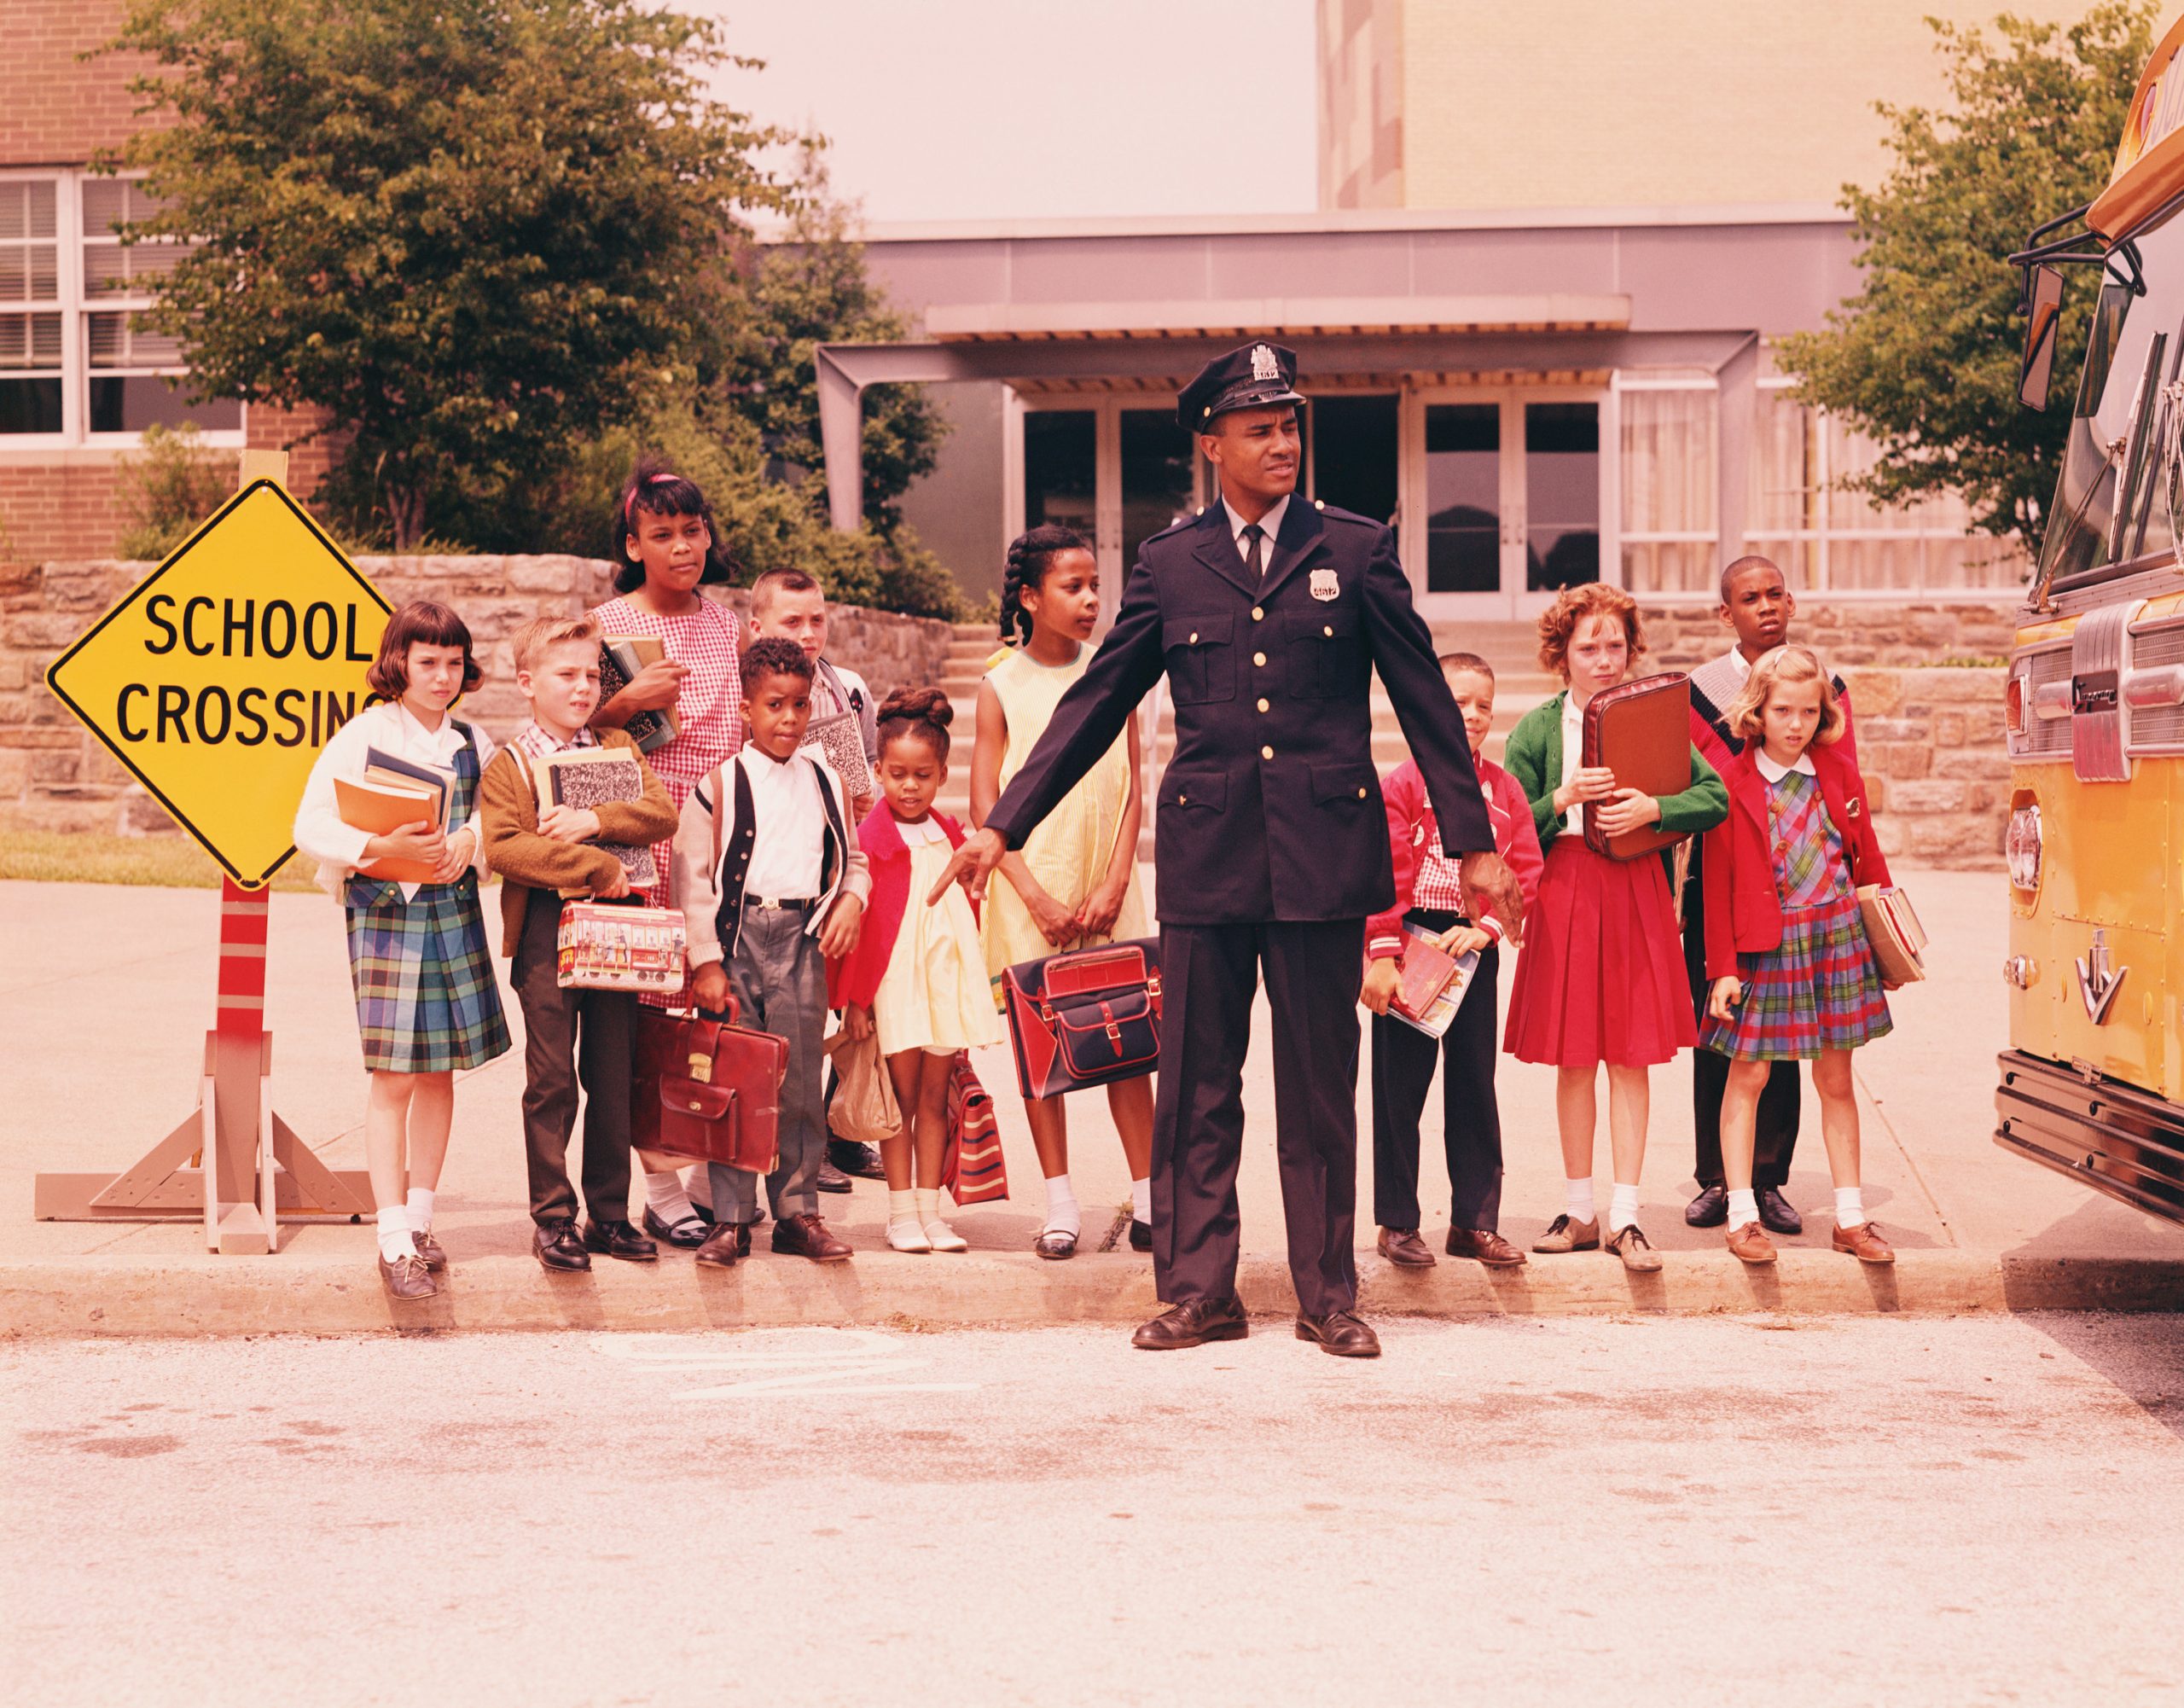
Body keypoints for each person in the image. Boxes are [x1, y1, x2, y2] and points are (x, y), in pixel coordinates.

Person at [931, 341, 1525, 1359]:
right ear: (1212, 444)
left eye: (1289, 424)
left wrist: (1472, 842)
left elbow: (1423, 698)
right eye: (1258, 428)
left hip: (1323, 858)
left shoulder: (1355, 548)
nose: (1281, 442)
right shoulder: (1168, 563)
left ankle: (1328, 1295)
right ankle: (1200, 1290)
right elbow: (1091, 705)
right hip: (1209, 861)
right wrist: (1000, 824)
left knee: (1317, 1089)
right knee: (1198, 1085)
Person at [1502, 584, 1726, 1274]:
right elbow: (1508, 824)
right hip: (1566, 888)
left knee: (1629, 1055)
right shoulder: (1539, 729)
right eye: (1588, 647)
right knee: (1574, 1057)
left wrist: (1652, 810)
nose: (1604, 659)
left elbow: (1714, 796)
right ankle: (1579, 1211)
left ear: (1632, 653)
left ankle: (1627, 1217)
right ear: (1560, 656)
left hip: (1634, 890)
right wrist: (1560, 799)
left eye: (1615, 646)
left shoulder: (1656, 718)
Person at [293, 601, 511, 1302]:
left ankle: (421, 1220)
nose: (441, 676)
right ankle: (391, 1237)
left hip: (450, 909)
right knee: (393, 1075)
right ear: (397, 665)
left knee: (440, 1071)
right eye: (427, 663)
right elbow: (311, 824)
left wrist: (469, 841)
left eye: (453, 663)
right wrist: (377, 847)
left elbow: (493, 813)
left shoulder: (474, 741)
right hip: (386, 914)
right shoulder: (362, 736)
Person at [973, 525, 1155, 1260]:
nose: (1088, 600)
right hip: (1030, 891)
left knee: (1128, 1042)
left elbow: (1134, 788)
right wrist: (1034, 895)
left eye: (1093, 587)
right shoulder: (1000, 684)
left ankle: (1149, 1200)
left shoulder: (1116, 673)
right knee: (1042, 1052)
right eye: (1071, 587)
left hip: (1107, 887)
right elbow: (988, 801)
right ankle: (1060, 1204)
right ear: (1029, 597)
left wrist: (1115, 880)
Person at [479, 614, 679, 1274]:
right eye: (566, 675)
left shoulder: (617, 745)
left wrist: (594, 819)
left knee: (613, 1073)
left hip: (619, 926)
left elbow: (660, 812)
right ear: (527, 682)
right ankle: (553, 1217)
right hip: (547, 927)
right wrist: (598, 865)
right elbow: (507, 846)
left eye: (592, 674)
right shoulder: (511, 764)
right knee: (553, 1079)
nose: (582, 687)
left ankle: (611, 1215)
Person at [589, 458, 747, 1247]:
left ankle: (698, 1167)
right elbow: (567, 735)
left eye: (693, 531)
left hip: (719, 842)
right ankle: (658, 1186)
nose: (682, 547)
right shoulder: (607, 626)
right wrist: (624, 703)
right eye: (663, 535)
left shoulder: (728, 625)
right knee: (644, 1018)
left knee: (703, 1016)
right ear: (633, 544)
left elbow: (744, 730)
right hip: (642, 842)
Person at [671, 636, 868, 1267]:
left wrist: (850, 901)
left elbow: (854, 860)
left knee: (801, 1082)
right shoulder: (719, 786)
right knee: (735, 1081)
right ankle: (730, 1218)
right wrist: (705, 961)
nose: (789, 719)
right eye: (774, 705)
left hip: (801, 940)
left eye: (800, 705)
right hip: (736, 942)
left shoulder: (827, 782)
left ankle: (798, 1212)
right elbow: (691, 878)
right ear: (746, 709)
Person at [1700, 644, 1896, 1264]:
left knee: (1837, 1079)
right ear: (1757, 711)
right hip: (1768, 942)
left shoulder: (1838, 772)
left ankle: (1850, 1217)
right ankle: (1741, 1215)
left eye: (1809, 712)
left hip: (1838, 938)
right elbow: (1716, 885)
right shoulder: (1731, 782)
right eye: (1782, 710)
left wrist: (1888, 942)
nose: (1796, 724)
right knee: (1749, 1075)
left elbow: (1866, 856)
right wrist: (1723, 969)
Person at [1681, 555, 1858, 1236]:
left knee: (1786, 1037)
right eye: (1750, 597)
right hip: (1721, 874)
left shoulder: (1821, 683)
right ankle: (1716, 1180)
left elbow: (1842, 780)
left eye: (1775, 594)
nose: (1766, 606)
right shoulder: (1701, 690)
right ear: (1726, 613)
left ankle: (1769, 1176)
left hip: (1804, 893)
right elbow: (1696, 780)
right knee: (1720, 1032)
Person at [1359, 652, 1542, 1269]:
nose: (1473, 714)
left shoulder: (1504, 790)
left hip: (1471, 944)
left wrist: (1488, 927)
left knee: (1473, 1086)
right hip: (1412, 944)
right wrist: (1383, 947)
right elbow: (1381, 870)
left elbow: (1525, 870)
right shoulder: (1404, 784)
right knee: (1399, 1088)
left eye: (1484, 705)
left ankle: (1473, 1221)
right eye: (1459, 701)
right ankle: (1398, 1221)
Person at [831, 690, 1004, 1252]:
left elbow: (966, 913)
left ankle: (930, 1210)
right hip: (895, 991)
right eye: (898, 774)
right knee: (899, 1106)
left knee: (935, 1102)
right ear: (877, 771)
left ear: (942, 775)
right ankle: (900, 1210)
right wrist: (855, 1002)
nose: (909, 786)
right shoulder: (871, 840)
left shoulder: (952, 836)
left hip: (940, 988)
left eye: (923, 775)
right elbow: (860, 931)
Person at [746, 564, 889, 1193]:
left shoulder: (849, 688)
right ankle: (782, 1148)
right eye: (791, 621)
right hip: (779, 871)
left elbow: (874, 767)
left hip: (846, 859)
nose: (808, 634)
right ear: (758, 627)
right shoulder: (749, 689)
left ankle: (842, 1130)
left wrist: (868, 795)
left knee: (853, 1003)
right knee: (785, 1021)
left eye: (816, 620)